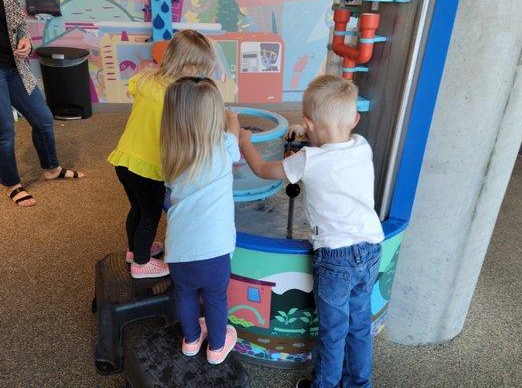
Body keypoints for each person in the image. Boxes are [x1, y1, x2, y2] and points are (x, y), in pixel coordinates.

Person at [239, 75, 385, 388]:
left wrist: (245, 143)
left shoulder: (308, 160)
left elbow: (263, 171)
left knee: (333, 335)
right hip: (371, 248)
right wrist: (309, 130)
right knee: (358, 325)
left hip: (336, 259)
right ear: (355, 119)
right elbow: (330, 137)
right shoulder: (361, 146)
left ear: (308, 121)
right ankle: (360, 384)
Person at [107, 30, 216, 279]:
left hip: (124, 160)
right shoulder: (175, 96)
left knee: (136, 207)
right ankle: (141, 264)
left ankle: (134, 251)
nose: (199, 75)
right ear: (184, 64)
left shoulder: (146, 79)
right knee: (151, 213)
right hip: (147, 167)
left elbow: (132, 87)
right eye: (197, 69)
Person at [160, 77, 240, 365]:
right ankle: (217, 347)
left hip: (179, 250)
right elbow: (235, 134)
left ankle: (191, 340)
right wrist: (232, 119)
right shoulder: (224, 145)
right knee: (216, 298)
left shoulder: (172, 154)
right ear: (214, 117)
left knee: (186, 295)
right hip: (215, 250)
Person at [0, 0, 84, 208]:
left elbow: (18, 26)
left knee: (43, 118)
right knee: (5, 131)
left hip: (14, 68)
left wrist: (26, 42)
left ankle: (51, 168)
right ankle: (12, 184)